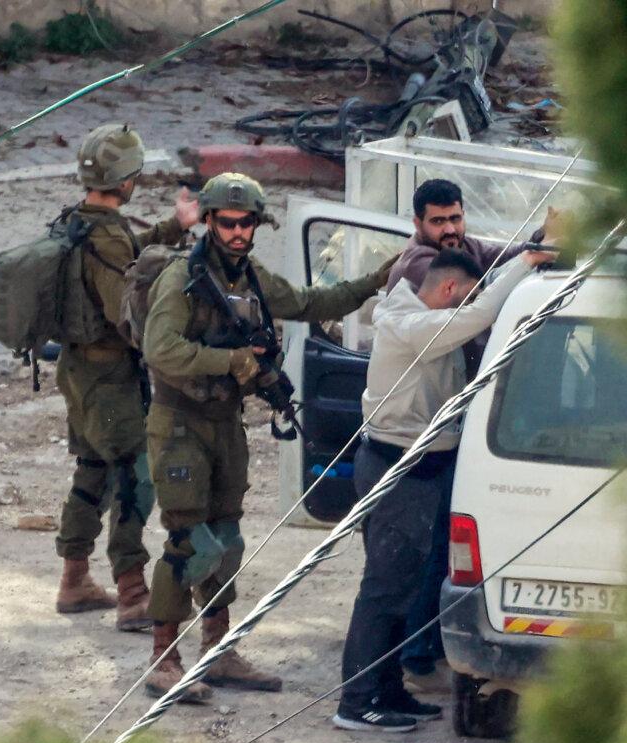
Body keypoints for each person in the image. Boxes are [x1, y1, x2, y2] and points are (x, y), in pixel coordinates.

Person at [140, 172, 393, 702]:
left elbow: (307, 302)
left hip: (223, 424)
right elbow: (160, 349)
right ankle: (164, 659)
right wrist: (232, 361)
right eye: (227, 222)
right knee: (189, 540)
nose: (236, 231)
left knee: (227, 537)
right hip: (180, 422)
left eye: (246, 222)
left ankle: (219, 649)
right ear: (208, 222)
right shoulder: (180, 280)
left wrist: (374, 281)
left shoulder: (249, 278)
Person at [334, 245, 552, 733]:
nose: (467, 306)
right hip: (398, 471)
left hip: (418, 469)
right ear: (449, 290)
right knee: (385, 589)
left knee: (404, 588)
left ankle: (387, 690)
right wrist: (526, 263)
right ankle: (357, 701)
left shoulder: (423, 318)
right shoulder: (411, 326)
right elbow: (479, 314)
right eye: (465, 296)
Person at [53, 123, 199, 632]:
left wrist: (173, 227)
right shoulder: (106, 235)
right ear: (126, 179)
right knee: (135, 477)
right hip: (110, 377)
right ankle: (133, 594)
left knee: (91, 470)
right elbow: (125, 313)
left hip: (76, 370)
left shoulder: (75, 223)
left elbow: (122, 252)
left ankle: (74, 579)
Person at [383, 178, 531, 293]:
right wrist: (529, 259)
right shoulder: (416, 263)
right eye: (438, 221)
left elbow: (503, 257)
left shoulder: (463, 245)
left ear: (463, 215)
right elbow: (477, 294)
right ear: (418, 224)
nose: (450, 230)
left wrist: (541, 239)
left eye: (455, 219)